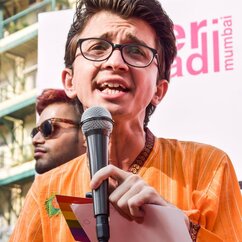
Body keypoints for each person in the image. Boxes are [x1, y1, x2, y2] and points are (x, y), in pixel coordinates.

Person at [10, 0, 242, 241]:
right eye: (97, 47)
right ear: (70, 81)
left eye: (135, 51)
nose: (115, 62)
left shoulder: (208, 168)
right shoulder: (46, 190)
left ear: (158, 90)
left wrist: (176, 231)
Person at [32, 88, 85, 173]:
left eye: (47, 127)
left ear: (85, 134)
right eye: (35, 132)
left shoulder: (108, 183)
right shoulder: (39, 186)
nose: (35, 140)